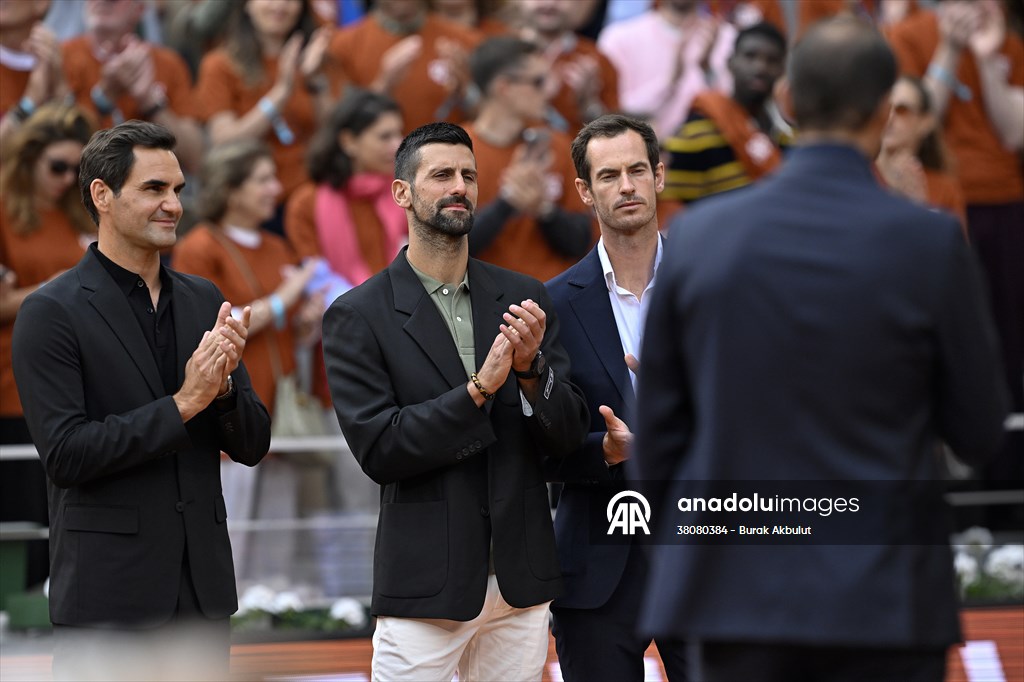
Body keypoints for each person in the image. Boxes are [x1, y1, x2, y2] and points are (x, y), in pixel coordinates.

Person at [633, 17, 1009, 682]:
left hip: (736, 598)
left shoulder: (698, 239)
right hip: (885, 599)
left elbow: (656, 442)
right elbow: (978, 429)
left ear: (787, 98)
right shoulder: (928, 243)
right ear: (885, 110)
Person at [322, 121, 589, 682]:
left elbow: (566, 435)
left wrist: (531, 373)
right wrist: (478, 390)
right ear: (402, 193)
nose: (460, 187)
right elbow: (381, 449)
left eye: (469, 175)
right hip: (425, 585)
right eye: (442, 175)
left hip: (519, 581)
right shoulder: (357, 315)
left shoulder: (524, 295)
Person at [11, 120, 272, 682]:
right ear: (102, 195)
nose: (173, 205)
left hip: (202, 594)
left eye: (178, 189)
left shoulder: (203, 300)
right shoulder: (51, 312)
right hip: (109, 597)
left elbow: (253, 445)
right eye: (154, 188)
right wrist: (184, 403)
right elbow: (67, 455)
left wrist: (225, 389)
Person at [545, 114, 688, 681]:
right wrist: (604, 451)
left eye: (637, 170)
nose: (626, 186)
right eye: (608, 176)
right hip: (596, 564)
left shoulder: (714, 287)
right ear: (585, 191)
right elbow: (538, 443)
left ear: (659, 176)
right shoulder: (553, 304)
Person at [173, 139, 323, 581]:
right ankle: (229, 603)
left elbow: (289, 330)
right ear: (232, 189)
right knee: (233, 525)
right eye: (262, 180)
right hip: (230, 405)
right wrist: (282, 300)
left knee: (279, 528)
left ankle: (274, 601)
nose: (275, 188)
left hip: (282, 406)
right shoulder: (200, 245)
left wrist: (306, 320)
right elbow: (210, 326)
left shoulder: (278, 246)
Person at [887, 0, 1023, 480]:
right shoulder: (909, 35)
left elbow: (1014, 133)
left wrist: (985, 59)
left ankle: (1004, 471)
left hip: (1003, 201)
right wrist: (948, 48)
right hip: (934, 192)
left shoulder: (1008, 42)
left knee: (1005, 339)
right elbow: (914, 121)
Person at [0, 102, 93, 590]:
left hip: (73, 379)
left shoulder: (77, 215)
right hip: (12, 383)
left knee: (59, 505)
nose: (66, 179)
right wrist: (57, 286)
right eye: (57, 166)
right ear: (28, 158)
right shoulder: (5, 213)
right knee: (21, 507)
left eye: (77, 170)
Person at [194, 0, 335, 233]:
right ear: (246, 5)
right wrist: (281, 93)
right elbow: (224, 141)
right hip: (254, 207)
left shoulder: (316, 57)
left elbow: (336, 134)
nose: (279, 5)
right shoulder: (219, 65)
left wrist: (314, 80)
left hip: (313, 197)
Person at [466, 36, 594, 282]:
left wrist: (544, 209)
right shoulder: (457, 151)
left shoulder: (557, 145)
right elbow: (449, 247)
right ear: (504, 87)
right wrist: (506, 202)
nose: (548, 91)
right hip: (488, 298)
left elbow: (581, 241)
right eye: (538, 82)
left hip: (554, 293)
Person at [61, 0, 203, 173]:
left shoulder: (168, 64)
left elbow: (194, 160)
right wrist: (104, 99)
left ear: (139, 9)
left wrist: (150, 102)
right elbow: (55, 150)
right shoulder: (62, 57)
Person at [285, 88, 407, 287]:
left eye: (399, 133)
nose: (398, 145)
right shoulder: (306, 203)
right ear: (348, 142)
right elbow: (316, 279)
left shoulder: (405, 192)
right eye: (385, 137)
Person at [661, 21, 791, 205]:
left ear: (783, 70)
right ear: (730, 63)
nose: (760, 67)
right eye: (750, 56)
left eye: (772, 60)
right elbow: (674, 206)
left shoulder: (792, 136)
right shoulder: (696, 131)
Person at [326, 0, 482, 133]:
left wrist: (465, 90)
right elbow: (337, 128)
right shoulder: (343, 46)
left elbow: (489, 122)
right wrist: (384, 85)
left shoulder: (465, 41)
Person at [597, 0, 737, 141]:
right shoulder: (618, 38)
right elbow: (613, 113)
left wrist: (707, 71)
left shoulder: (727, 38)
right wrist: (670, 82)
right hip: (643, 150)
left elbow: (737, 113)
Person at [517, 0, 619, 135]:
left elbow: (614, 133)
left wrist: (588, 103)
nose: (549, 4)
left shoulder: (596, 60)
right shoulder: (496, 50)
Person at [877, 74, 966, 227]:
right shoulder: (859, 177)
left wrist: (919, 205)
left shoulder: (945, 189)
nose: (890, 117)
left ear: (926, 122)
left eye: (902, 110)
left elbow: (954, 241)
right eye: (885, 108)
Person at [0, 0, 66, 152]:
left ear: (41, 3)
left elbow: (87, 153)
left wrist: (60, 89)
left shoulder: (69, 58)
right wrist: (29, 102)